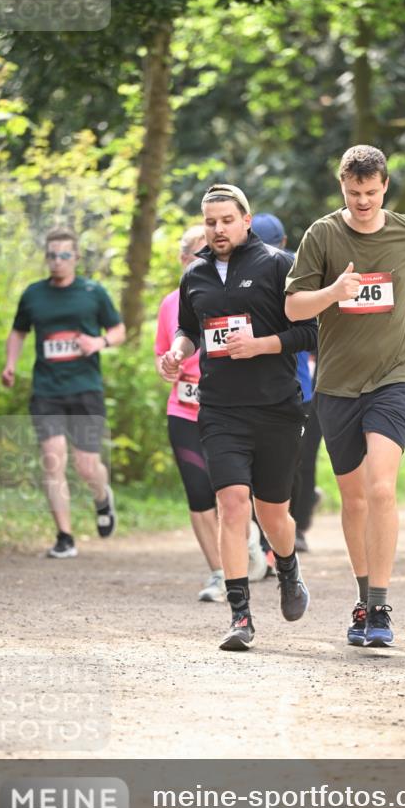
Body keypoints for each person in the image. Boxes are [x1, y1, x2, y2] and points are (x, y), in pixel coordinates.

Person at [285, 145, 405, 648]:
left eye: (371, 192)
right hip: (336, 383)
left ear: (385, 188)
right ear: (343, 187)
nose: (363, 201)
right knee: (354, 499)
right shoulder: (321, 235)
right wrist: (333, 293)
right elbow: (294, 308)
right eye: (354, 192)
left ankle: (380, 606)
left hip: (394, 376)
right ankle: (362, 599)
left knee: (381, 488)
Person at [161, 184, 318, 651]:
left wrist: (260, 346)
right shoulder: (197, 275)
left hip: (276, 409)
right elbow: (190, 329)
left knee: (273, 512)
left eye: (227, 220)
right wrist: (175, 351)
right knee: (231, 504)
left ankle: (288, 567)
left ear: (245, 220)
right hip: (220, 409)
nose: (218, 229)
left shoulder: (278, 265)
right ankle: (240, 616)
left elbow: (309, 332)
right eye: (210, 222)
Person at [1, 227, 125, 558]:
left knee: (87, 466)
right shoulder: (33, 294)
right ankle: (65, 537)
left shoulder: (93, 292)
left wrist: (99, 342)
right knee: (53, 459)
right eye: (52, 255)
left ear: (76, 257)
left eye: (65, 255)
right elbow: (18, 332)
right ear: (46, 257)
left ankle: (102, 498)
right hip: (46, 389)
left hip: (85, 388)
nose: (58, 261)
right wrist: (10, 364)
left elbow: (119, 330)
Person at [155, 225, 226, 602]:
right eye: (199, 256)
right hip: (182, 409)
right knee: (199, 492)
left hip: (226, 409)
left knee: (232, 490)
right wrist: (166, 365)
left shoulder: (229, 295)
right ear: (184, 261)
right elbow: (161, 352)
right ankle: (219, 573)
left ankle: (247, 545)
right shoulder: (169, 304)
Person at [251, 212, 323, 553]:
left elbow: (316, 332)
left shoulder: (295, 274)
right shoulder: (293, 270)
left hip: (298, 388)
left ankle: (291, 528)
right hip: (280, 389)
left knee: (293, 462)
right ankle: (290, 529)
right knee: (295, 463)